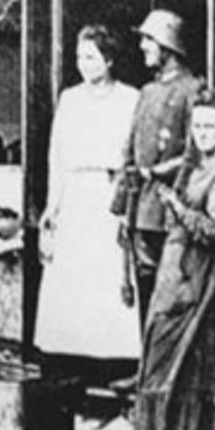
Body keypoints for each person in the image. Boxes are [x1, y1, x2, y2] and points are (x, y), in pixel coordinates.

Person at [132, 86, 215, 430]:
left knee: (194, 357)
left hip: (201, 271)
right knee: (165, 347)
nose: (202, 133)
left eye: (210, 126)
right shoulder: (195, 164)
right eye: (197, 125)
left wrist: (175, 206)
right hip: (177, 266)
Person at [36, 25, 141, 362]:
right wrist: (53, 206)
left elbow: (136, 154)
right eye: (79, 57)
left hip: (111, 193)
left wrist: (128, 203)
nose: (83, 64)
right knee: (74, 277)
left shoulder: (130, 98)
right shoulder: (70, 99)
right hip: (76, 194)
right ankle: (72, 357)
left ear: (109, 60)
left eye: (91, 57)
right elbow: (58, 155)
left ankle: (114, 359)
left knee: (109, 273)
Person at [115, 10, 202, 322]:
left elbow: (196, 154)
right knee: (145, 297)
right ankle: (149, 368)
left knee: (171, 301)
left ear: (168, 45)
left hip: (173, 212)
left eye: (148, 40)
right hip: (142, 211)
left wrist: (162, 179)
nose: (143, 47)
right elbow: (129, 149)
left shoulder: (193, 90)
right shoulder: (147, 92)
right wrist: (124, 206)